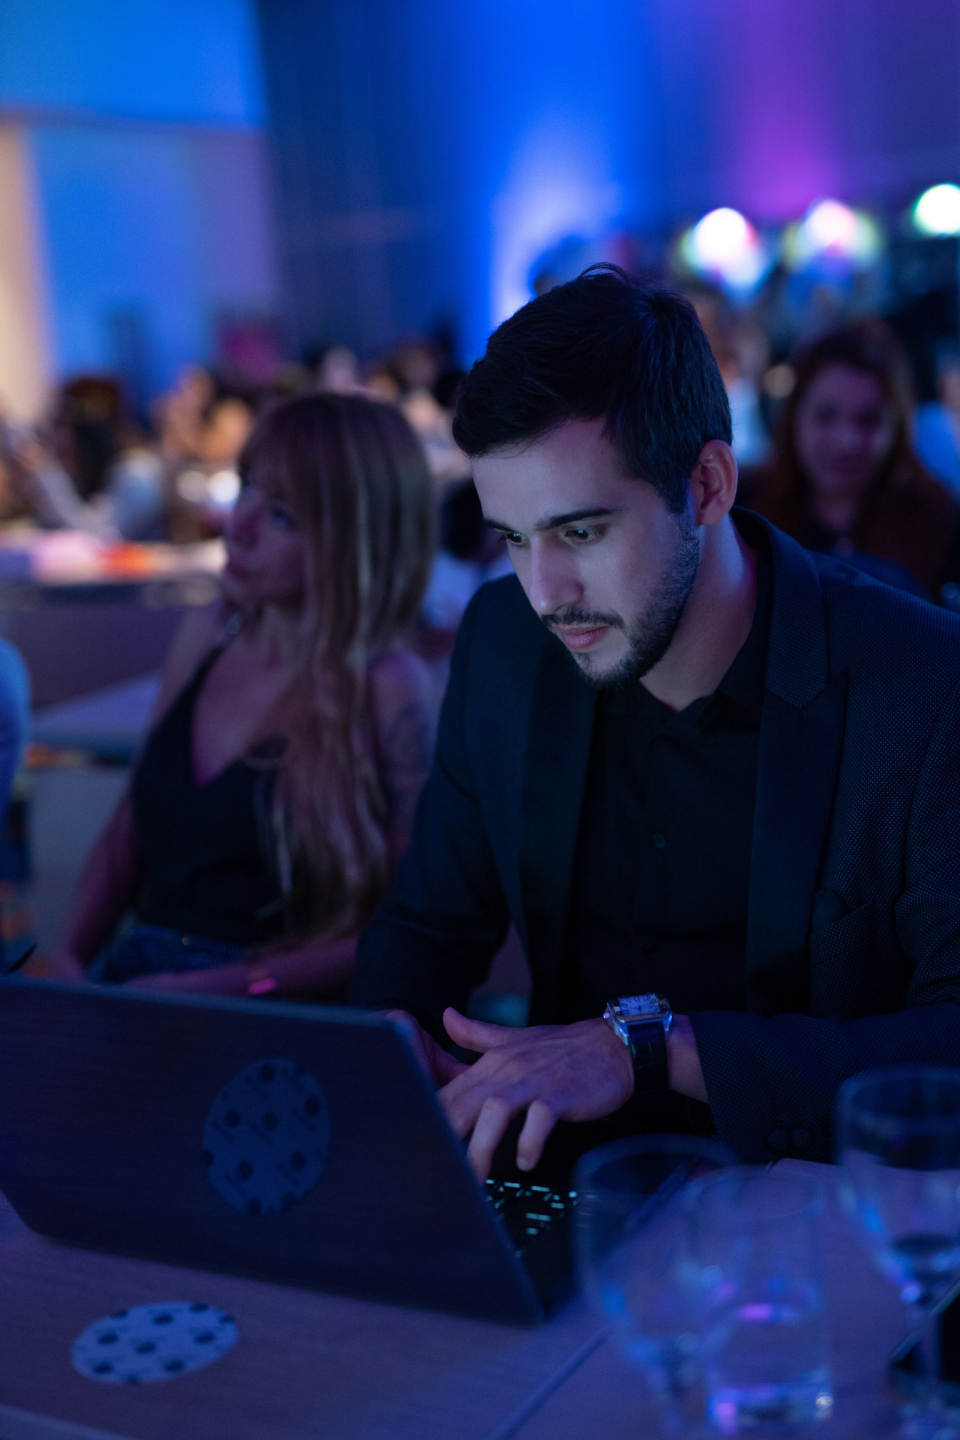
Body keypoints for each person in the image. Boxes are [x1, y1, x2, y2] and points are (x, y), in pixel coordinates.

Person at [351, 266, 960, 1178]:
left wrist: (653, 1048)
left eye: (580, 532)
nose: (544, 593)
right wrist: (393, 1053)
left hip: (816, 1198)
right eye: (513, 538)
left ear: (707, 484)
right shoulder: (504, 643)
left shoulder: (923, 682)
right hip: (561, 1181)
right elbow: (429, 927)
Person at [47, 392, 437, 998]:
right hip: (141, 977)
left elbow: (408, 923)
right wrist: (70, 956)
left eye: (282, 515)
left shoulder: (388, 682)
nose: (240, 525)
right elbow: (131, 822)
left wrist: (229, 985)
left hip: (278, 1009)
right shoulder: (211, 629)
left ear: (353, 540)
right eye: (247, 487)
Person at [743, 321, 960, 600]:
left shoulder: (939, 520)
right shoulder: (745, 514)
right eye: (826, 415)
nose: (847, 442)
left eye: (868, 420)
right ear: (794, 416)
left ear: (897, 427)